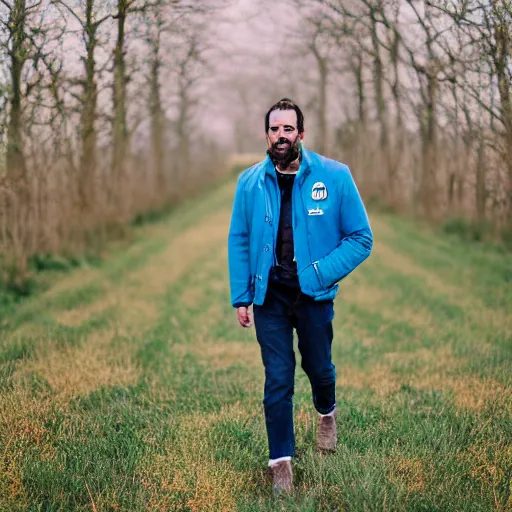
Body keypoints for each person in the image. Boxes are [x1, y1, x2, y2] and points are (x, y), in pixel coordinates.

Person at [228, 98, 372, 494]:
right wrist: (242, 294)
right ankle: (281, 466)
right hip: (269, 295)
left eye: (288, 129)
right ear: (267, 134)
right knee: (277, 378)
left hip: (314, 295)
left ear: (301, 134)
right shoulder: (250, 183)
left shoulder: (335, 176)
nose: (280, 136)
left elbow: (362, 238)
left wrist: (319, 272)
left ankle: (327, 412)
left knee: (319, 368)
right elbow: (239, 239)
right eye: (274, 129)